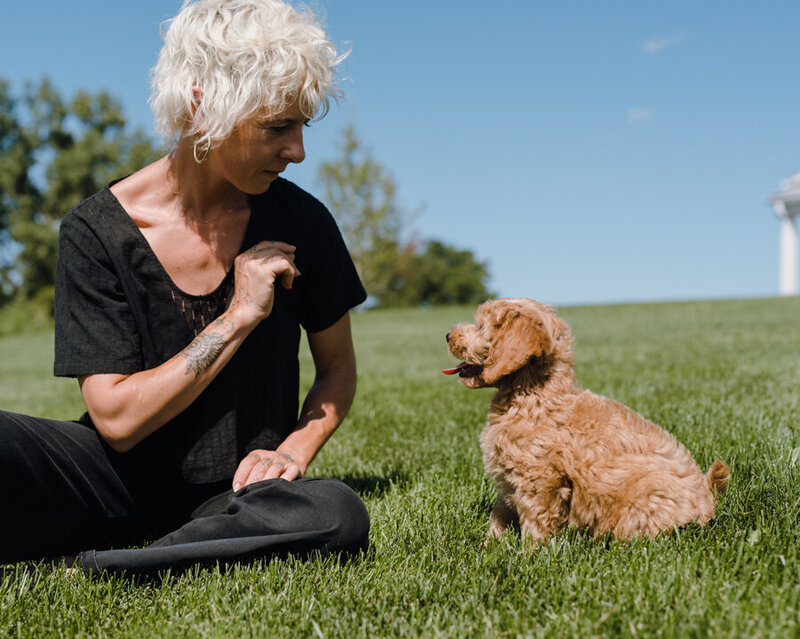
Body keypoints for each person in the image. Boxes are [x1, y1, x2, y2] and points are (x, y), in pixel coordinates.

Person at [0, 0, 370, 577]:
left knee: (336, 512)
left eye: (302, 126)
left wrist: (292, 452)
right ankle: (159, 547)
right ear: (203, 104)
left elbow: (338, 371)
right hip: (109, 476)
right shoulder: (96, 231)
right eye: (277, 127)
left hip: (238, 494)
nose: (298, 150)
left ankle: (94, 565)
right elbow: (117, 421)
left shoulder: (305, 223)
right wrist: (239, 315)